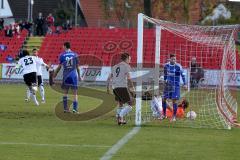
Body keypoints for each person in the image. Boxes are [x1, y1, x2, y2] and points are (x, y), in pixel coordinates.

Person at [107, 53, 135, 125]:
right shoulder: (126, 66)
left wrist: (108, 88)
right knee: (131, 103)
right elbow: (129, 78)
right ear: (126, 59)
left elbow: (109, 78)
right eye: (129, 59)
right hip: (122, 87)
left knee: (120, 103)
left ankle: (120, 120)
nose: (130, 61)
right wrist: (132, 88)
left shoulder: (114, 66)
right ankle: (120, 116)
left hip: (115, 88)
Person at [53, 42, 80, 113]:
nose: (62, 47)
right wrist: (80, 76)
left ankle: (65, 109)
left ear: (65, 46)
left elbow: (59, 67)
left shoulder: (62, 55)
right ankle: (75, 109)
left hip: (66, 75)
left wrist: (54, 75)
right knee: (75, 93)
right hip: (73, 75)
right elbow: (77, 67)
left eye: (63, 46)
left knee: (65, 92)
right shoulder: (75, 54)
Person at [161, 54, 187, 122]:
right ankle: (164, 115)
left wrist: (185, 84)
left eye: (174, 59)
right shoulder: (166, 65)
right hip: (168, 85)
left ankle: (174, 117)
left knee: (174, 100)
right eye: (172, 59)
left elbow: (183, 75)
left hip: (176, 86)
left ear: (176, 59)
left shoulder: (178, 66)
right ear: (170, 59)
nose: (173, 60)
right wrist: (164, 81)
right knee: (163, 98)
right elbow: (165, 74)